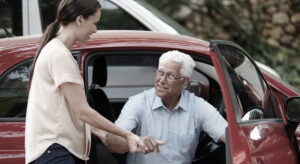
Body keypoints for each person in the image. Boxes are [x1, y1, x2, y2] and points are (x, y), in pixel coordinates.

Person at [25, 0, 157, 163]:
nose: (95, 30)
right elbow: (83, 111)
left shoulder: (56, 51)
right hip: (55, 151)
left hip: (56, 150)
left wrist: (101, 133)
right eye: (94, 23)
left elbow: (71, 112)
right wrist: (127, 135)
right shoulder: (59, 55)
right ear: (79, 20)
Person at [94, 50, 228, 164]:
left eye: (169, 76)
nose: (161, 80)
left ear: (184, 82)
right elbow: (112, 143)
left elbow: (231, 137)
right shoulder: (138, 102)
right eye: (160, 73)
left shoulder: (198, 107)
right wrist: (136, 141)